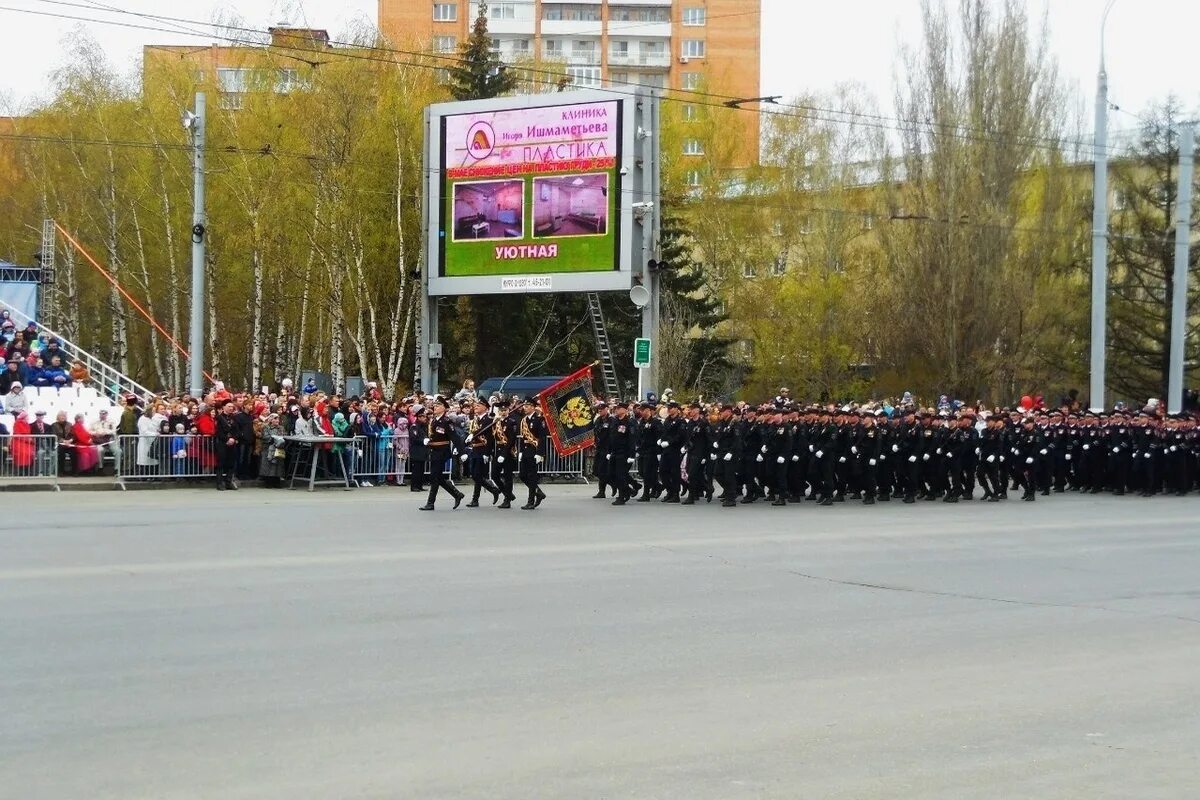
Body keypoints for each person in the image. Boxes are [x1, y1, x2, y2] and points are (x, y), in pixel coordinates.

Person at [419, 398, 464, 510]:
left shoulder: (446, 421)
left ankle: (430, 503)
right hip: (434, 451)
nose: (435, 407)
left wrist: (462, 451)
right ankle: (457, 494)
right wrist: (426, 439)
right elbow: (432, 435)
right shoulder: (434, 420)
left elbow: (455, 437)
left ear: (444, 408)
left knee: (434, 477)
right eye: (435, 405)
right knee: (437, 477)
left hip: (442, 451)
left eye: (438, 405)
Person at [517, 397, 547, 510]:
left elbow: (542, 438)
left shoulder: (539, 419)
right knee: (522, 475)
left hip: (534, 451)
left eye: (528, 405)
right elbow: (522, 437)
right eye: (524, 405)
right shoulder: (524, 420)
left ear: (533, 407)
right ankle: (538, 492)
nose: (525, 407)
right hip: (525, 450)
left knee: (532, 476)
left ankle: (531, 501)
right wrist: (520, 451)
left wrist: (540, 453)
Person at [214, 400, 241, 490]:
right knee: (221, 463)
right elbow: (219, 431)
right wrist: (227, 439)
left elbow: (237, 430)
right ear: (224, 407)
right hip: (222, 443)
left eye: (232, 407)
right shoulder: (219, 418)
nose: (231, 408)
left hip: (232, 443)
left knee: (231, 463)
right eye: (229, 406)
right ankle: (219, 483)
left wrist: (234, 438)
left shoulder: (234, 418)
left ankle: (228, 482)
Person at [259, 413, 287, 488]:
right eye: (275, 419)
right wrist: (274, 438)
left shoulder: (281, 428)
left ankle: (277, 481)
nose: (277, 420)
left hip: (278, 448)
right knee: (269, 465)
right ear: (271, 420)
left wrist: (281, 439)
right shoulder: (266, 427)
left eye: (278, 419)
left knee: (278, 465)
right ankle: (268, 481)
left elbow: (284, 435)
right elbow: (265, 436)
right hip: (268, 448)